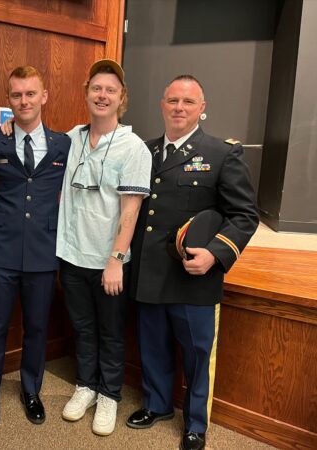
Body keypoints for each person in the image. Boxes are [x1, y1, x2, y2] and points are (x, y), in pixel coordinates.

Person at [126, 75, 259, 450]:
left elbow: (245, 215)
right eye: (172, 100)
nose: (179, 108)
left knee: (199, 355)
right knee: (152, 345)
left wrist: (216, 254)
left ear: (202, 108)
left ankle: (196, 423)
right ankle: (156, 404)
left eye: (188, 102)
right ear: (162, 105)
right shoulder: (144, 151)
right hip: (150, 271)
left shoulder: (221, 153)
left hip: (194, 275)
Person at [56, 59, 152, 436]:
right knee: (82, 327)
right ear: (86, 93)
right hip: (72, 254)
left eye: (110, 90)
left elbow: (130, 211)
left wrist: (115, 260)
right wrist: (10, 126)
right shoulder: (71, 139)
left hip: (108, 260)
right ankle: (86, 386)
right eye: (96, 88)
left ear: (121, 98)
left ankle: (109, 394)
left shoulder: (133, 148)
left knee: (111, 330)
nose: (102, 95)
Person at [0, 66, 71, 429]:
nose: (24, 101)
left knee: (36, 327)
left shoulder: (65, 142)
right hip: (0, 248)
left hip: (43, 250)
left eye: (30, 93)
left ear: (43, 96)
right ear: (9, 100)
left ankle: (32, 390)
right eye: (16, 95)